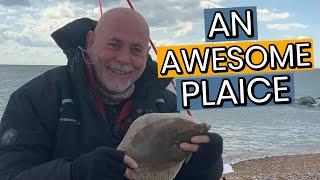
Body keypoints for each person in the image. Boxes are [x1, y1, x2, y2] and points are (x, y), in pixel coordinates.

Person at [0, 7, 223, 180]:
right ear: (91, 42)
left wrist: (206, 164)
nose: (124, 59)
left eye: (136, 50)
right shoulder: (34, 98)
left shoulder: (165, 104)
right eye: (114, 45)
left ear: (146, 55)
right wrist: (75, 173)